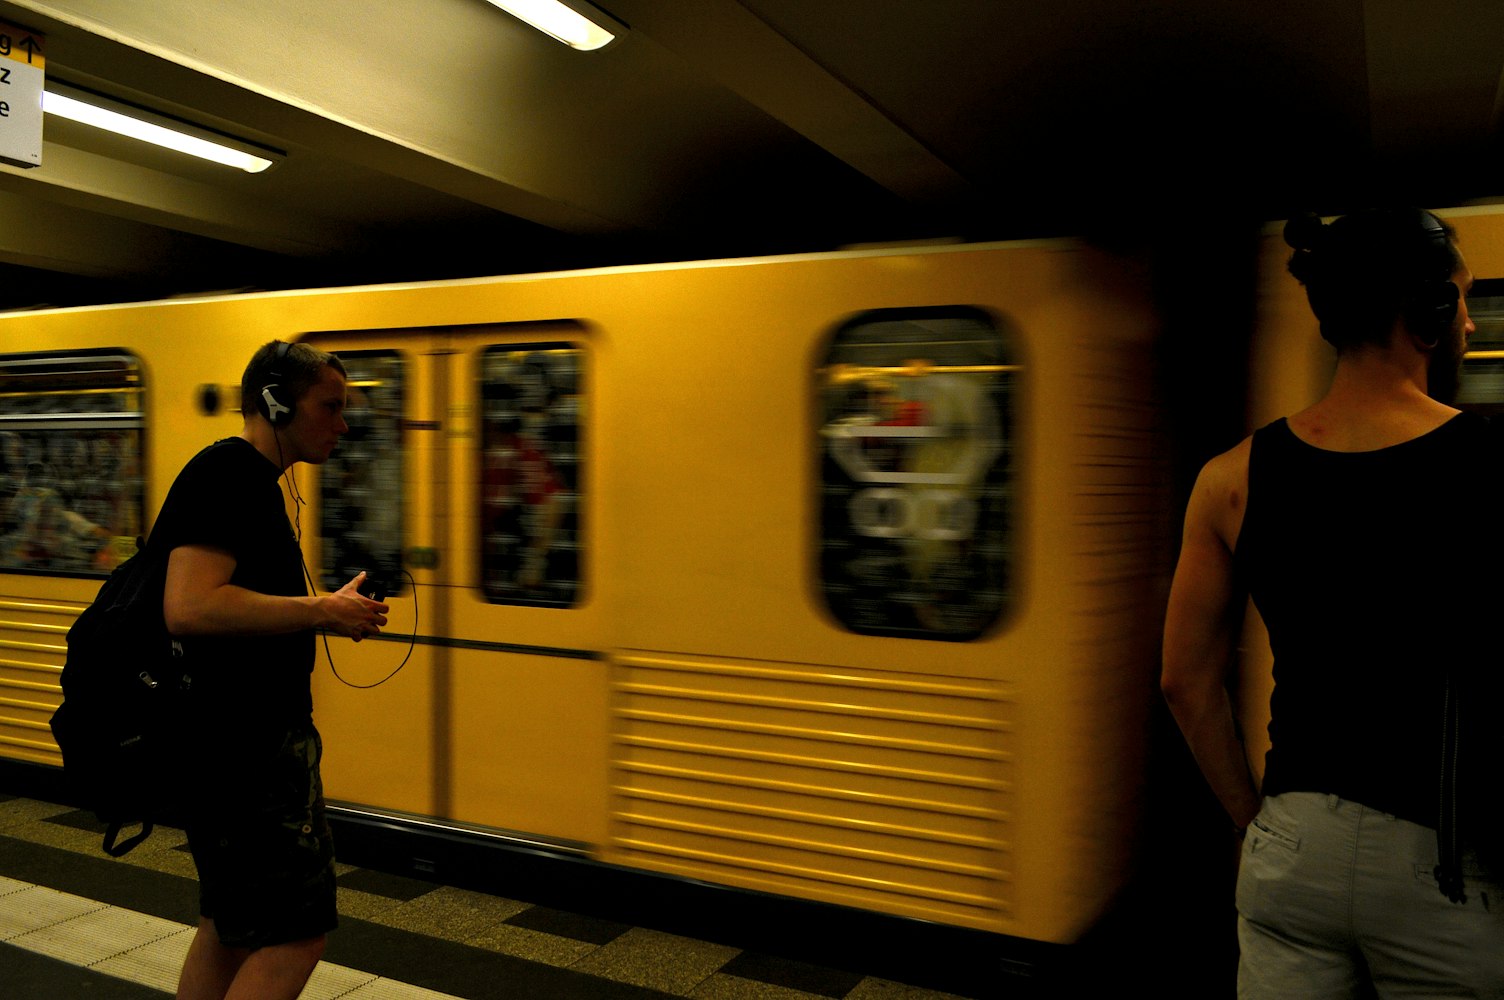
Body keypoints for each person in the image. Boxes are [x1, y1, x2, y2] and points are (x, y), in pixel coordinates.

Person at [1161, 206, 1504, 997]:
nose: (1470, 320)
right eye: (1460, 298)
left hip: (1290, 846)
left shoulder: (1230, 477)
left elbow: (1184, 681)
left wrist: (1251, 821)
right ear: (1425, 311)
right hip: (1442, 860)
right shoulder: (1490, 466)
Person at [156, 340, 389, 1000]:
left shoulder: (247, 480)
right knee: (295, 935)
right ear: (277, 403)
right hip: (247, 752)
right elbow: (189, 606)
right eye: (330, 407)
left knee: (231, 927)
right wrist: (321, 610)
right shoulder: (228, 476)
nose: (343, 424)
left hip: (232, 746)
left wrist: (324, 611)